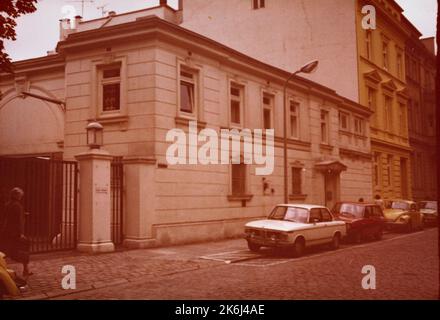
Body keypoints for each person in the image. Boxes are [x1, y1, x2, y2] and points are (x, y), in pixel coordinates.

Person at [0, 188, 32, 277]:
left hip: (6, 232)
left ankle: (4, 270)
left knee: (5, 251)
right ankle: (25, 269)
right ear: (17, 196)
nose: (21, 197)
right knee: (23, 248)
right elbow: (19, 221)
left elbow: (5, 218)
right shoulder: (17, 206)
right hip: (15, 233)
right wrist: (21, 233)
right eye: (20, 195)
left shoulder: (7, 204)